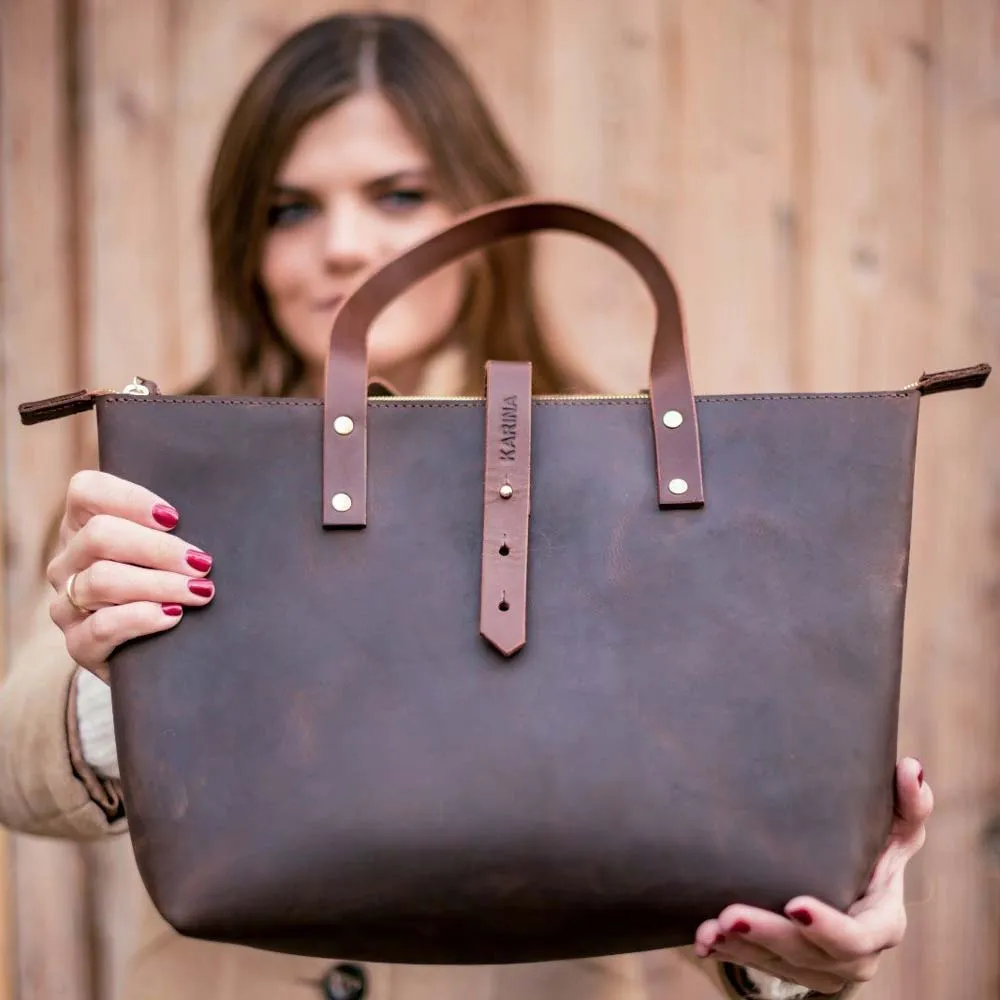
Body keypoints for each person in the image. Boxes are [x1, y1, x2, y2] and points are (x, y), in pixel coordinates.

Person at [0, 13, 931, 1000]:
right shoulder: (178, 469)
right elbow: (16, 759)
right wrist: (133, 673)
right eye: (289, 210)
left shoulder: (621, 471)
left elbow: (720, 820)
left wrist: (791, 952)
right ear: (245, 244)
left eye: (399, 195)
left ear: (483, 214)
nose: (344, 247)